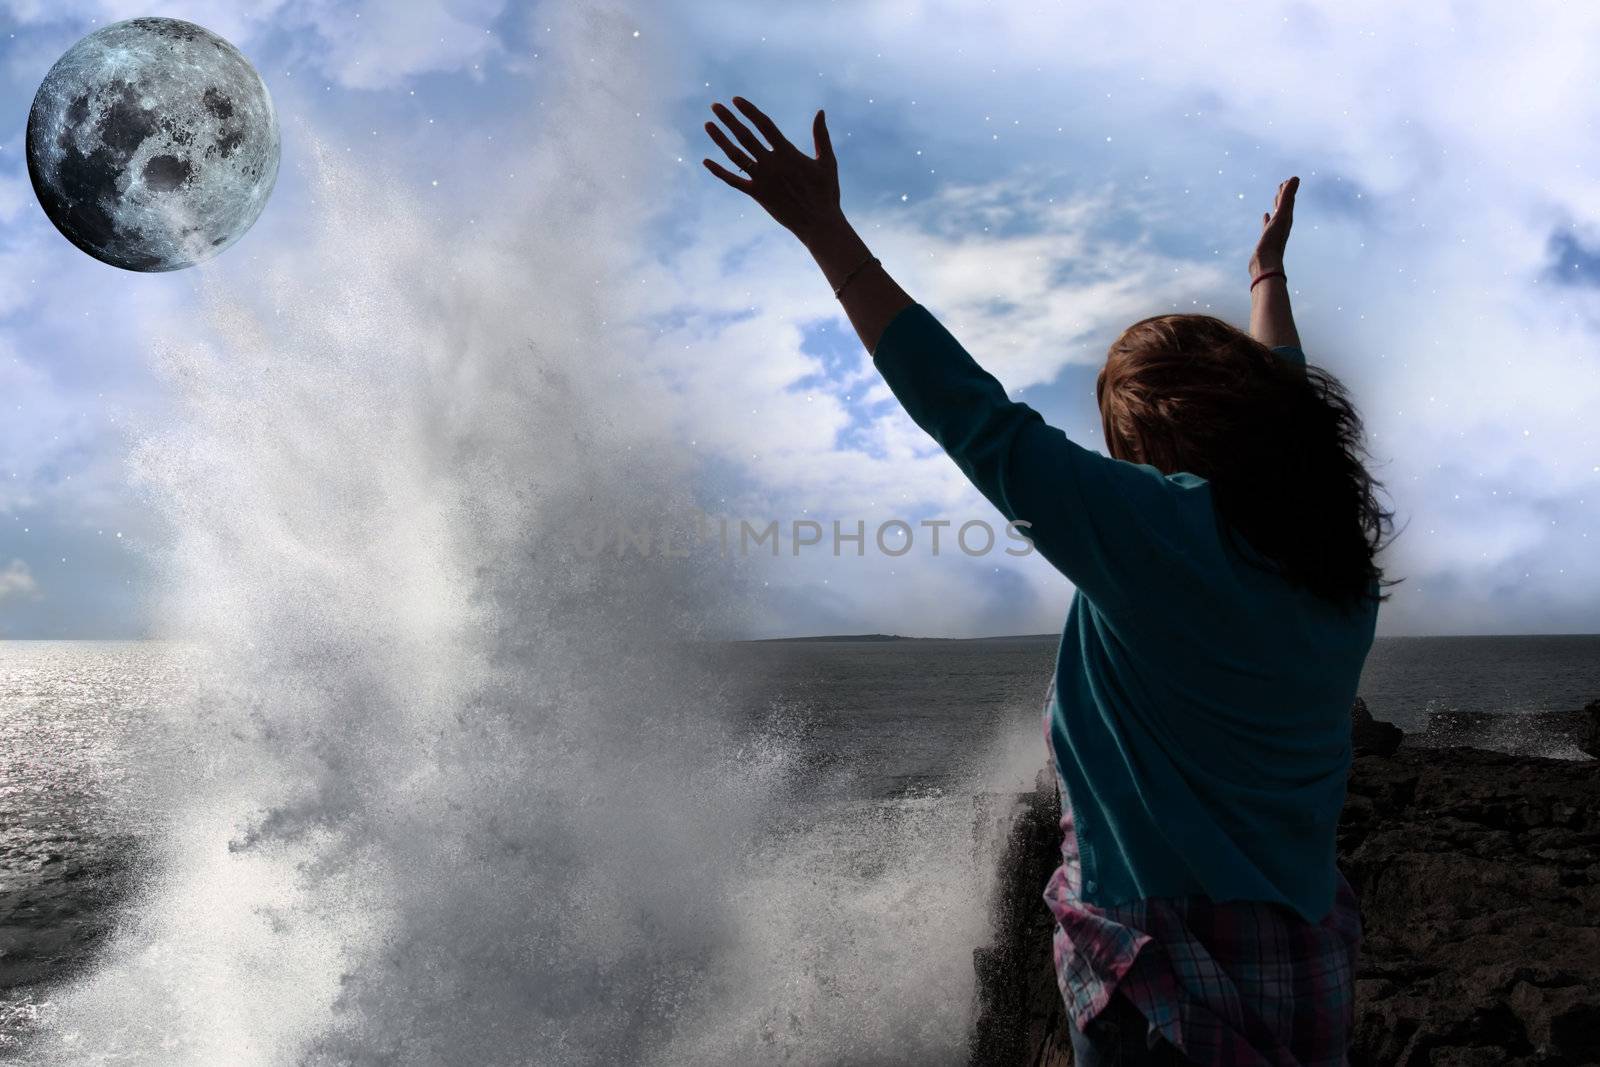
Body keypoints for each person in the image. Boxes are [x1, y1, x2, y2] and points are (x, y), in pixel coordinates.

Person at [703, 97, 1398, 1067]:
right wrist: (1267, 276)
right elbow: (1286, 397)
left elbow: (973, 416)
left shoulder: (1157, 535)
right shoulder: (1332, 560)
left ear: (1149, 449)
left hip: (1162, 971)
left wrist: (825, 231)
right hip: (1303, 950)